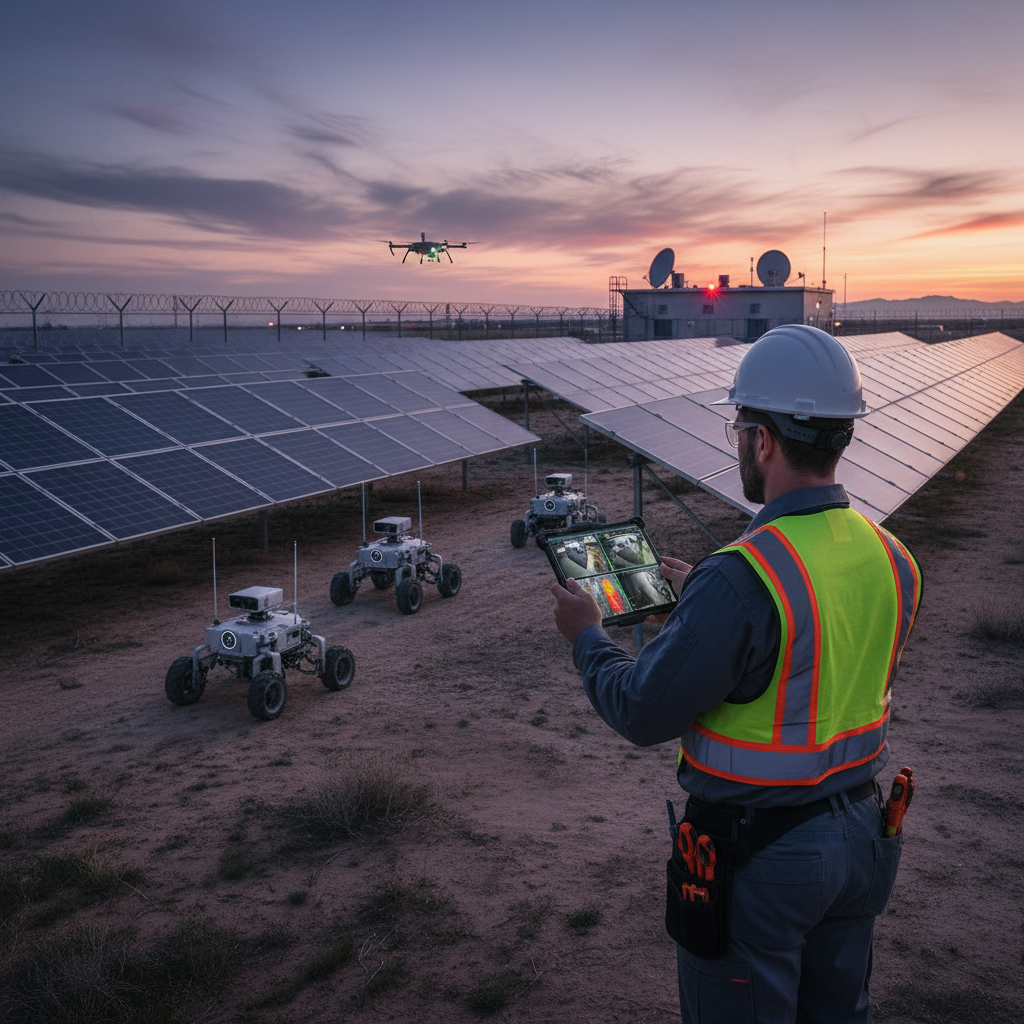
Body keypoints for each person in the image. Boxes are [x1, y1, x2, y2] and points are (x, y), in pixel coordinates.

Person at [551, 325, 922, 1024]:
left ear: (763, 441)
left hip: (765, 858)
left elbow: (641, 711)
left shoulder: (742, 576)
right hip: (862, 836)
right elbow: (816, 653)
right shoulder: (892, 555)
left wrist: (587, 636)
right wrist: (708, 617)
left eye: (739, 428)